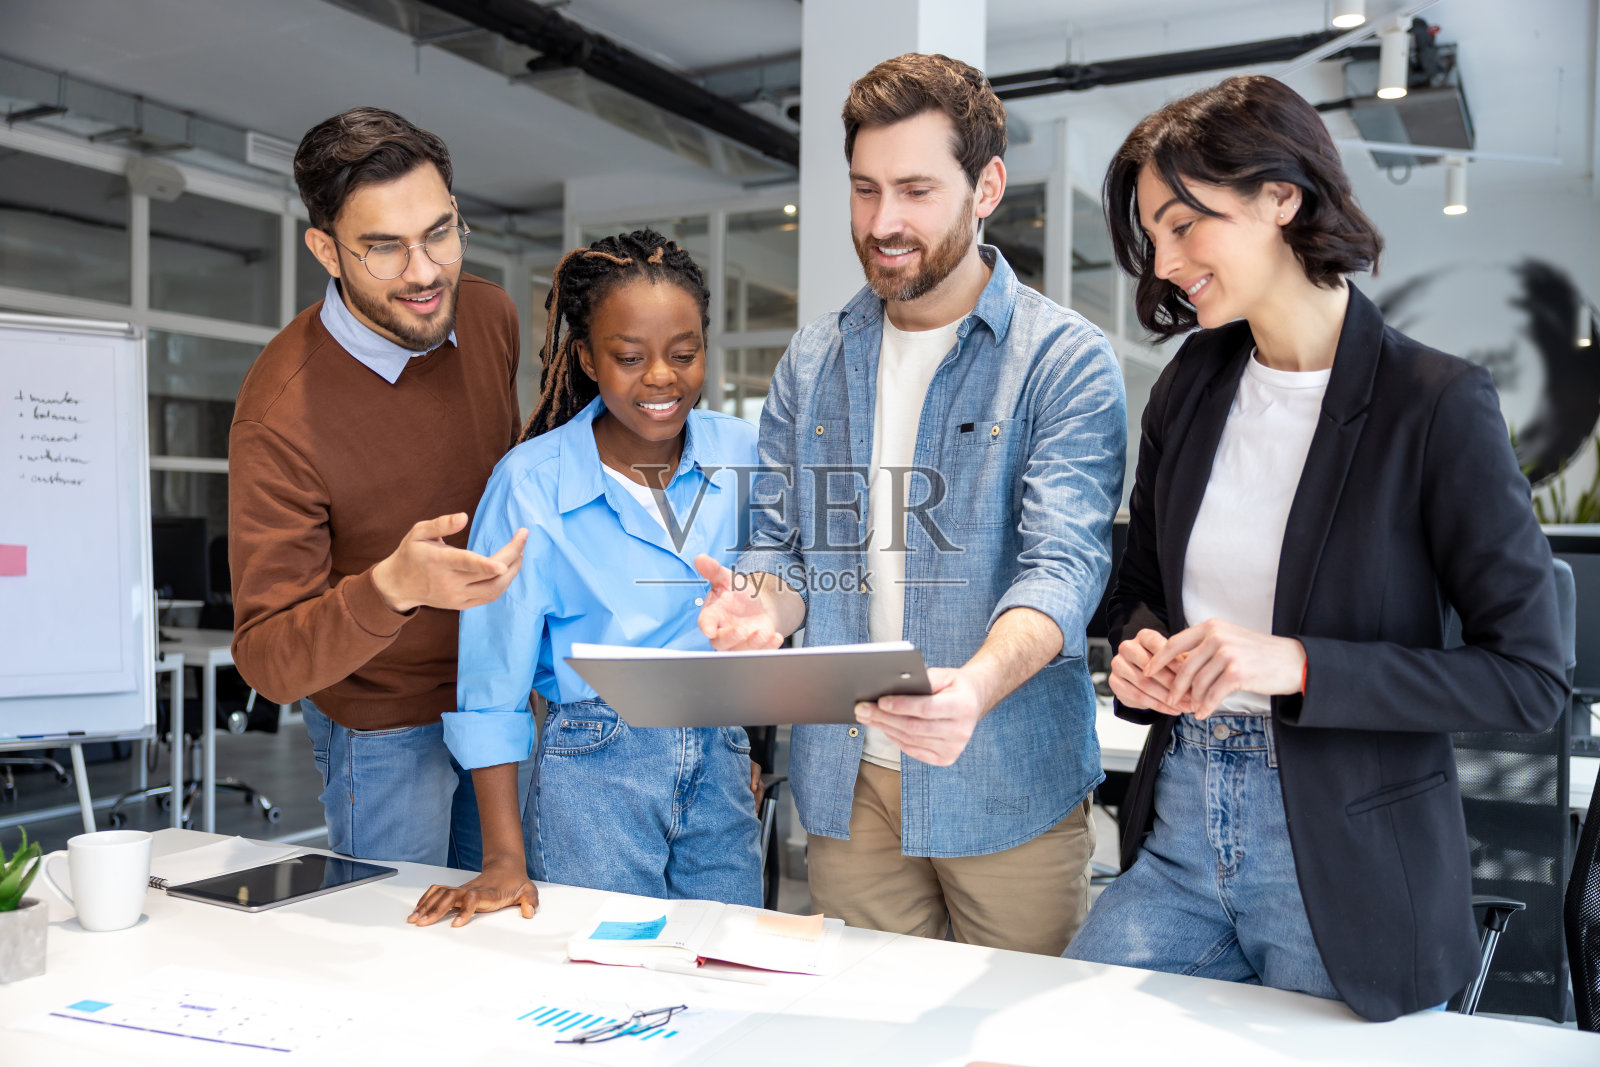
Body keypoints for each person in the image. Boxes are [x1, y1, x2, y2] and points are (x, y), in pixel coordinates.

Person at [1062, 75, 1568, 1021]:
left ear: (1279, 197)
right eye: (1153, 235)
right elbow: (1137, 588)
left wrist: (1295, 663)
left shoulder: (1434, 404)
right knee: (1067, 1034)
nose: (1165, 260)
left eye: (1183, 224)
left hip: (1342, 862)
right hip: (1179, 830)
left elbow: (1528, 677)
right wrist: (1137, 649)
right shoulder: (1191, 387)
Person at [695, 53, 1126, 955]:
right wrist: (760, 607)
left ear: (987, 187)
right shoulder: (814, 363)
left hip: (1005, 781)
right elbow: (784, 548)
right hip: (848, 788)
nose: (884, 222)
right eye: (864, 189)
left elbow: (1065, 565)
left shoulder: (1063, 360)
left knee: (1015, 1042)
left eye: (917, 190)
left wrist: (972, 689)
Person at [408, 230, 764, 928]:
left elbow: (776, 591)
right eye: (630, 357)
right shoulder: (529, 485)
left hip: (719, 756)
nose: (661, 377)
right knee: (611, 979)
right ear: (586, 359)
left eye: (685, 354)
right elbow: (492, 685)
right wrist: (505, 856)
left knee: (729, 967)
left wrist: (739, 741)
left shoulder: (743, 453)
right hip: (594, 766)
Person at [229, 107, 533, 870]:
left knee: (509, 934)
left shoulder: (490, 316)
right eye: (384, 249)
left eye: (439, 232)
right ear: (326, 250)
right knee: (407, 956)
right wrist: (392, 587)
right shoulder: (280, 413)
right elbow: (267, 656)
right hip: (385, 727)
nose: (426, 271)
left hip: (502, 694)